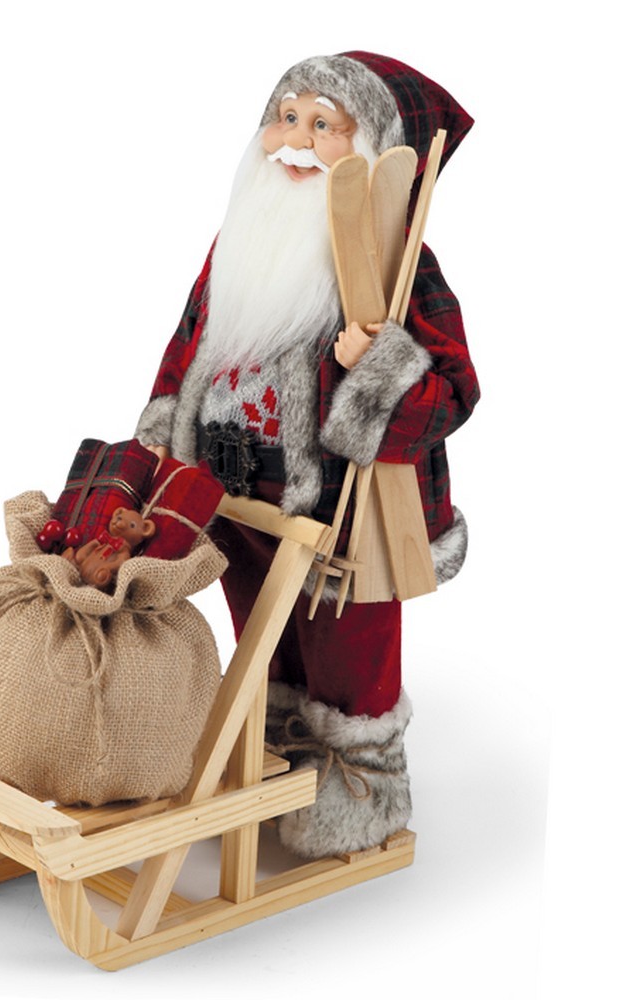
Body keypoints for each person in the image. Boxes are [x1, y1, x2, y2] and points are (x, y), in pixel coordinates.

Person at [136, 52, 479, 858]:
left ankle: (361, 775)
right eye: (286, 117)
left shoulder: (398, 268)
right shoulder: (239, 243)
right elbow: (190, 340)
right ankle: (278, 742)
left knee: (346, 641)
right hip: (234, 492)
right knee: (261, 628)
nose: (294, 140)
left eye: (323, 125)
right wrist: (161, 429)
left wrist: (381, 362)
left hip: (339, 509)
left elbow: (455, 392)